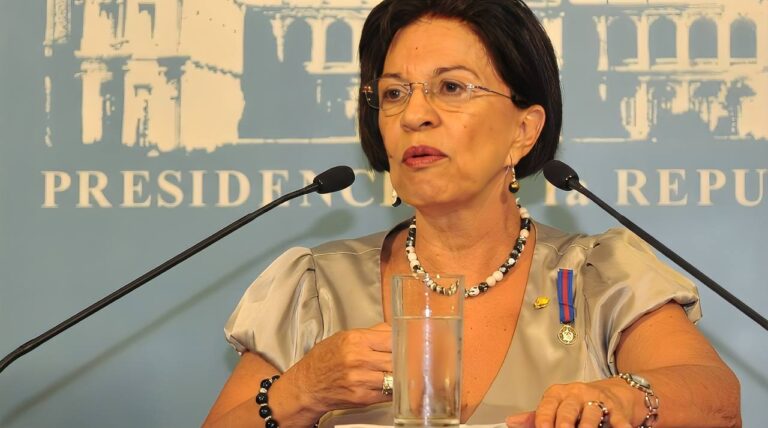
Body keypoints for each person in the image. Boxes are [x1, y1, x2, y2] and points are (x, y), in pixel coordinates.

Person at [204, 0, 741, 426]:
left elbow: (718, 402)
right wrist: (301, 390)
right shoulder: (318, 287)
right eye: (393, 93)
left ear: (524, 130)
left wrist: (620, 398)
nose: (414, 114)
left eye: (451, 87)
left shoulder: (598, 276)